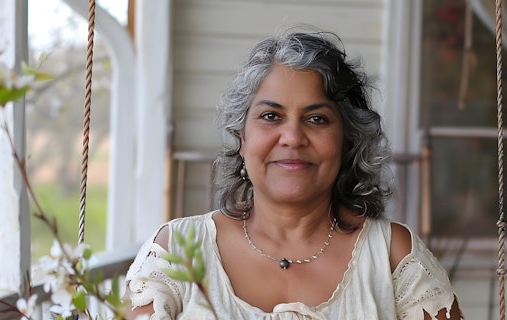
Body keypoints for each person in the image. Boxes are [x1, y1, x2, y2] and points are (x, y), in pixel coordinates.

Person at [124, 26, 464, 319]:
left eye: (317, 118)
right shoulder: (176, 251)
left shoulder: (393, 257)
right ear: (242, 137)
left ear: (347, 140)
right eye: (271, 116)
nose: (293, 138)